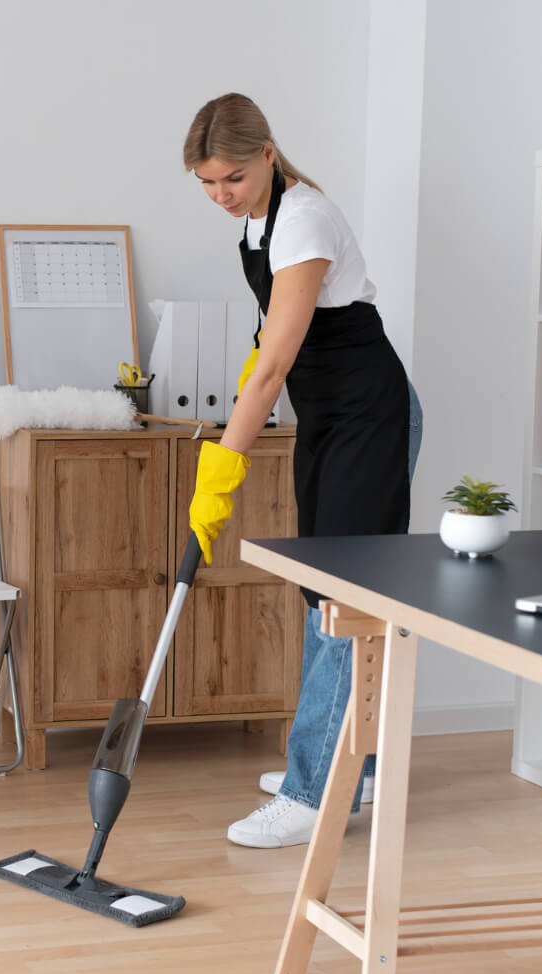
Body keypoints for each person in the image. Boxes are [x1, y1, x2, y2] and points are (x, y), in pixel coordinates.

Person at [183, 93, 422, 849]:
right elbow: (267, 344)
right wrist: (228, 443)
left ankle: (314, 792)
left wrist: (224, 464)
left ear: (266, 154)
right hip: (329, 418)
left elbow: (275, 364)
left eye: (232, 179)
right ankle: (363, 763)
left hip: (371, 418)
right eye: (208, 184)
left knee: (345, 597)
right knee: (329, 586)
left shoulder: (304, 218)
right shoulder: (260, 221)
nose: (223, 196)